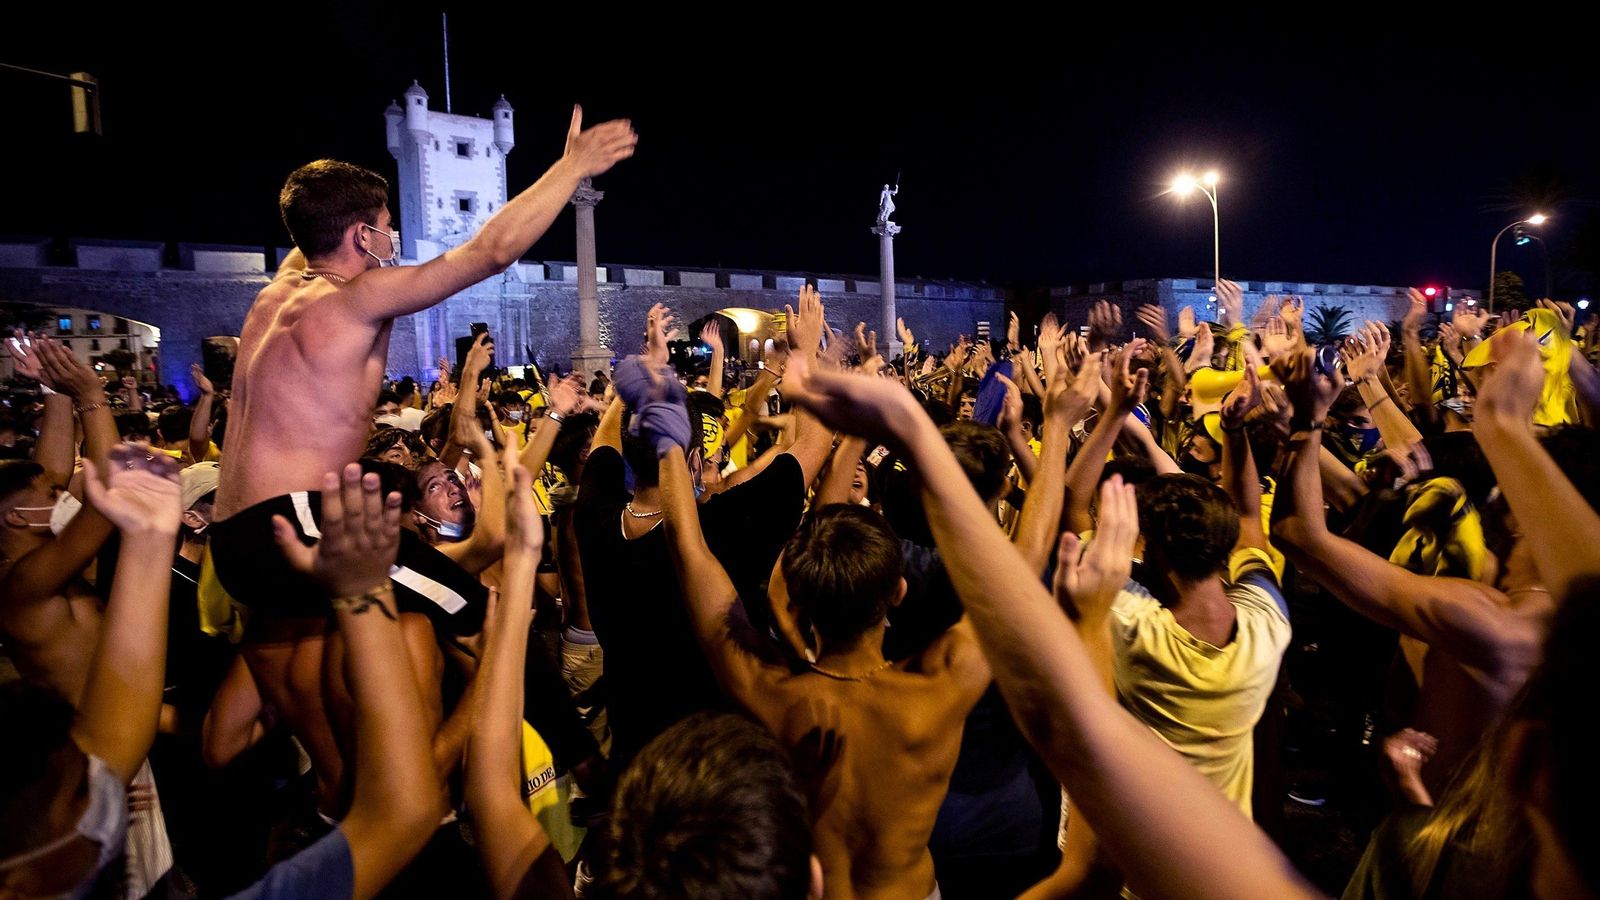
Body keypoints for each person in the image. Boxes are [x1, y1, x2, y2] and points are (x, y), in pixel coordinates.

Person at [205, 107, 634, 824]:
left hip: (236, 536)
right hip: (299, 519)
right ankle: (589, 771)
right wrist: (571, 168)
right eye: (383, 225)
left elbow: (309, 218)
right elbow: (489, 252)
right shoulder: (356, 296)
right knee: (486, 612)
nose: (393, 238)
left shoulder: (274, 295)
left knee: (323, 688)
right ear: (360, 236)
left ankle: (331, 812)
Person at [655, 337, 991, 900]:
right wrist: (1053, 433)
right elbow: (1011, 573)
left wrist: (669, 444)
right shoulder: (940, 690)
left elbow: (690, 552)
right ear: (897, 593)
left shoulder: (772, 694)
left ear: (795, 599)